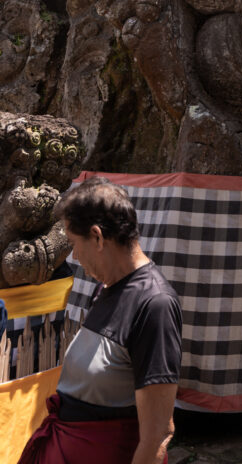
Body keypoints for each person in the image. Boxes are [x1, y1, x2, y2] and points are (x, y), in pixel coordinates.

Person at [19, 177, 182, 464]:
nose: (75, 256)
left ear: (97, 237)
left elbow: (158, 433)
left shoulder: (154, 305)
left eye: (73, 244)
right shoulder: (107, 287)